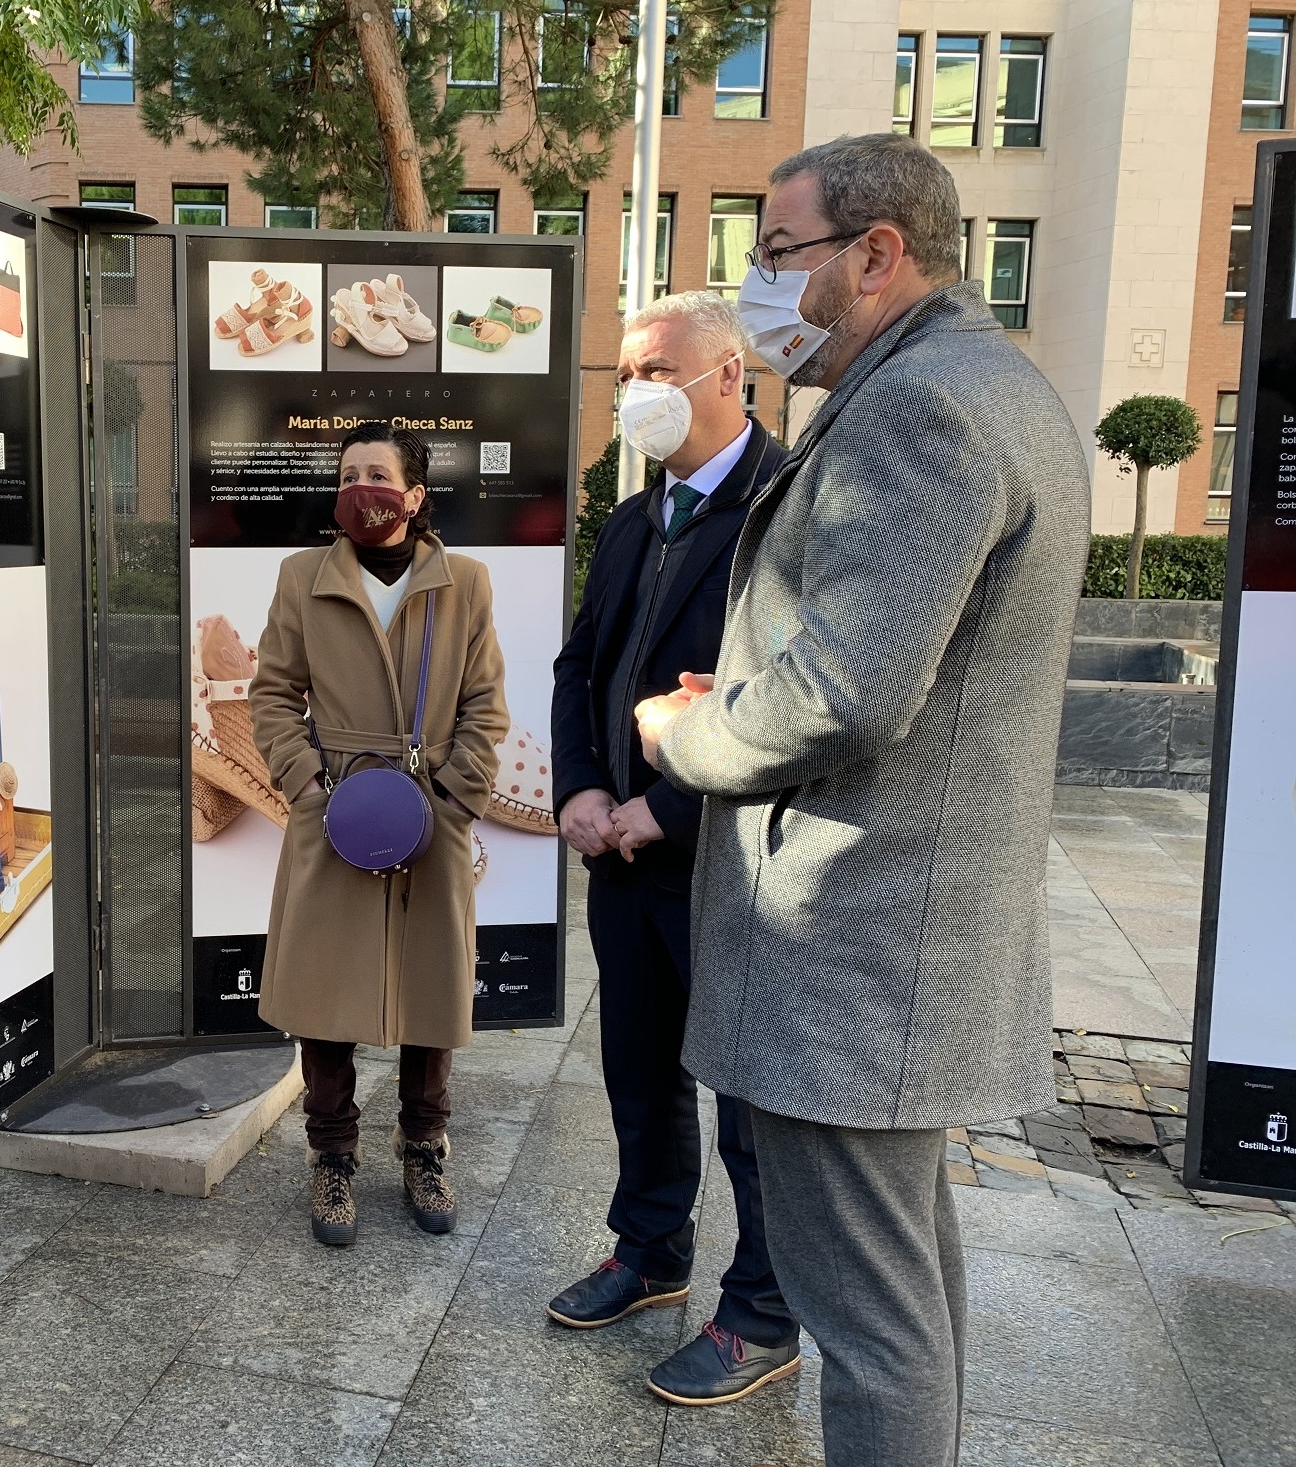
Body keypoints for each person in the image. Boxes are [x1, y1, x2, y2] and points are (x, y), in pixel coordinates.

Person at [633, 134, 1089, 1466]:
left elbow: (846, 693)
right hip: (902, 937)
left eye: (777, 254)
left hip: (852, 951)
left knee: (870, 1319)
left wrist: (686, 730)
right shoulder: (984, 382)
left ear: (873, 254)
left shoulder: (916, 406)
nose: (762, 286)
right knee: (907, 1289)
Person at [546, 291, 798, 1405]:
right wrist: (585, 790)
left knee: (749, 1103)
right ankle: (650, 1251)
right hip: (621, 857)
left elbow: (801, 704)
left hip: (733, 865)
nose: (634, 392)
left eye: (655, 369)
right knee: (639, 1073)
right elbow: (578, 670)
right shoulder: (638, 516)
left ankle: (762, 1311)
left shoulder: (783, 508)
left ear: (729, 374)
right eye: (624, 374)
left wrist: (670, 804)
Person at [248, 421, 509, 1247]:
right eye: (349, 473)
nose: (362, 487)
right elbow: (271, 696)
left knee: (431, 991)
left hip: (430, 813)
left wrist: (455, 799)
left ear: (415, 494)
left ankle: (424, 1143)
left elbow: (484, 705)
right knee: (323, 996)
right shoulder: (302, 576)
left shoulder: (463, 581)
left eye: (378, 474)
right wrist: (310, 787)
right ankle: (331, 1157)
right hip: (336, 815)